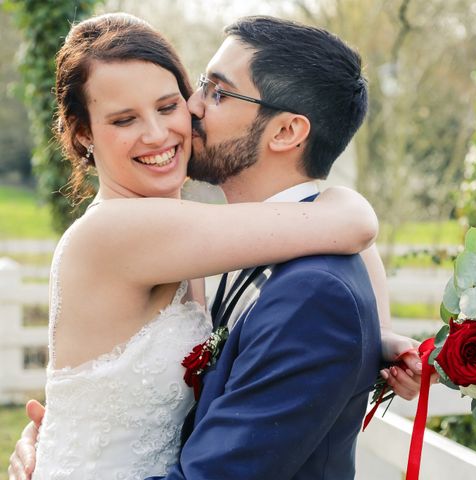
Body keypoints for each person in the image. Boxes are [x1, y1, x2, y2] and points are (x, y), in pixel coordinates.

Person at [8, 13, 424, 480]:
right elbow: (345, 226)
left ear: (287, 131)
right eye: (124, 119)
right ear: (84, 134)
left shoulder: (207, 236)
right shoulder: (122, 231)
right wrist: (350, 206)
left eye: (172, 104)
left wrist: (378, 338)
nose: (162, 130)